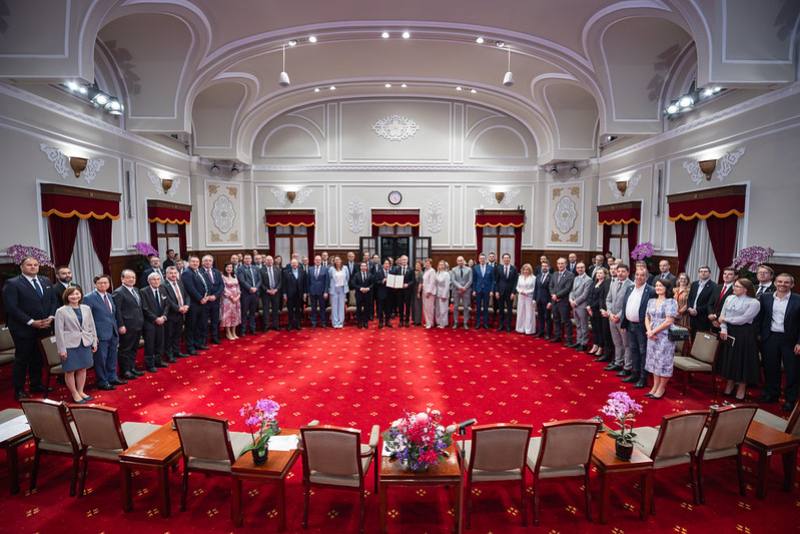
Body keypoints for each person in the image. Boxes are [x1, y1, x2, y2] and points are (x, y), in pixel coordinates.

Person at [2, 257, 58, 400]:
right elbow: (11, 308)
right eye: (29, 265)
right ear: (22, 267)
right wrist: (31, 322)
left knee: (38, 358)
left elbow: (53, 300)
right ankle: (19, 389)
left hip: (45, 325)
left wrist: (51, 317)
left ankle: (36, 384)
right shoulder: (12, 283)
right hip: (23, 328)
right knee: (22, 358)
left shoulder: (45, 280)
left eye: (35, 265)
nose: (33, 267)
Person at [758, 273, 800, 411]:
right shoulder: (765, 297)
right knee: (770, 369)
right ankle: (771, 394)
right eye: (780, 281)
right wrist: (760, 336)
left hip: (791, 340)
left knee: (792, 371)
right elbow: (761, 318)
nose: (783, 284)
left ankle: (790, 399)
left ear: (792, 285)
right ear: (775, 283)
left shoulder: (797, 300)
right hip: (770, 338)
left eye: (786, 282)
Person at [717, 279, 761, 401]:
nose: (733, 288)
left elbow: (743, 319)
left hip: (744, 334)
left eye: (737, 286)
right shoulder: (729, 298)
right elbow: (721, 315)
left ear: (745, 289)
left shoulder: (754, 302)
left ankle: (742, 387)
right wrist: (724, 328)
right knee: (730, 359)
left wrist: (725, 320)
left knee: (742, 361)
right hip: (729, 332)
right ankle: (729, 384)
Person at [54, 287, 97, 403]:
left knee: (83, 368)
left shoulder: (86, 308)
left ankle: (81, 391)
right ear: (66, 296)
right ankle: (74, 393)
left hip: (85, 342)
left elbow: (91, 325)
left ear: (81, 295)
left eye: (77, 294)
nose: (75, 296)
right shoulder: (61, 311)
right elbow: (59, 332)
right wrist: (61, 349)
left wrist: (94, 340)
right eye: (71, 294)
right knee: (70, 370)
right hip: (69, 345)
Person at [83, 274, 124, 390]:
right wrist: (92, 335)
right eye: (100, 283)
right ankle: (102, 381)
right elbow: (86, 318)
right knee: (101, 359)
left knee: (112, 356)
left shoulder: (110, 296)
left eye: (106, 283)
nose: (103, 285)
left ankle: (112, 377)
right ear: (95, 284)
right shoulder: (88, 298)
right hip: (99, 334)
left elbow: (112, 315)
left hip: (113, 331)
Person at [620, 267, 655, 388]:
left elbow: (653, 311)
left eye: (642, 275)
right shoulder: (630, 288)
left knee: (643, 352)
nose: (639, 277)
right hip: (630, 325)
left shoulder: (651, 290)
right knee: (633, 350)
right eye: (637, 275)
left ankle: (643, 378)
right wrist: (624, 323)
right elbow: (626, 305)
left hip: (642, 327)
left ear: (646, 277)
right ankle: (634, 374)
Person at [644, 279, 678, 399]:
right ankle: (655, 386)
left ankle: (661, 388)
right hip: (651, 336)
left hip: (665, 336)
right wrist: (649, 331)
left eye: (661, 286)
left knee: (664, 362)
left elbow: (669, 321)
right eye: (656, 285)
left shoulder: (671, 302)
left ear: (667, 288)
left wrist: (653, 331)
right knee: (654, 361)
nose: (658, 287)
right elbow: (647, 317)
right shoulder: (651, 301)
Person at [113, 269, 144, 380]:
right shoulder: (119, 292)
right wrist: (121, 325)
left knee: (134, 348)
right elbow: (118, 311)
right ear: (122, 279)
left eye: (133, 277)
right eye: (129, 277)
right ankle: (125, 371)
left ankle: (132, 368)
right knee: (125, 349)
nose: (132, 279)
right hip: (126, 326)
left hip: (137, 324)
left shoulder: (136, 290)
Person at [140, 272, 172, 372]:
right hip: (150, 322)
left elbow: (167, 305)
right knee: (150, 343)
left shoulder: (162, 289)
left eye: (158, 279)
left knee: (160, 342)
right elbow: (144, 308)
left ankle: (159, 361)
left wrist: (164, 316)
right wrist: (155, 319)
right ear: (149, 281)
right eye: (154, 279)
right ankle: (150, 364)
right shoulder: (143, 291)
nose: (156, 281)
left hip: (162, 320)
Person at [605, 264, 633, 375]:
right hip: (612, 318)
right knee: (617, 342)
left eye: (623, 271)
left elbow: (628, 303)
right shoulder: (614, 282)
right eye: (619, 271)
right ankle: (618, 362)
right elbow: (608, 299)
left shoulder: (631, 285)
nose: (620, 273)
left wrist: (619, 315)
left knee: (626, 344)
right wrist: (610, 313)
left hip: (623, 319)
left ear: (628, 272)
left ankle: (627, 366)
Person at [181, 256, 210, 355]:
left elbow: (206, 285)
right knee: (191, 326)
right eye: (193, 261)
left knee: (199, 325)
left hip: (202, 303)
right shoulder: (186, 273)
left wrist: (206, 296)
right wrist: (200, 298)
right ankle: (190, 347)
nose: (195, 263)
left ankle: (198, 343)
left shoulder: (200, 271)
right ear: (189, 263)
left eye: (197, 261)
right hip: (193, 304)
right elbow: (190, 288)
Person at [162, 266, 189, 361]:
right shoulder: (163, 285)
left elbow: (186, 295)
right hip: (171, 314)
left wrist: (187, 305)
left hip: (181, 313)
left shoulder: (179, 282)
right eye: (171, 273)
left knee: (178, 334)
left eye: (175, 273)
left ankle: (177, 351)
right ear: (166, 274)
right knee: (169, 335)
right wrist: (178, 308)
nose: (173, 275)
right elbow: (167, 301)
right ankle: (169, 354)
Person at [587, 267, 611, 362]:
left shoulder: (605, 284)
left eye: (601, 273)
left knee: (600, 329)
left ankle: (601, 347)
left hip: (598, 310)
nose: (599, 275)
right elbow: (590, 295)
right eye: (598, 273)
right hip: (591, 309)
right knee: (595, 329)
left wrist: (592, 306)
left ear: (605, 274)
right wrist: (588, 306)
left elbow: (601, 299)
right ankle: (595, 344)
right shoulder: (594, 283)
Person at [549, 257, 575, 343]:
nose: (560, 265)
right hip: (554, 301)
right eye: (559, 263)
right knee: (556, 319)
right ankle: (558, 336)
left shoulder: (570, 275)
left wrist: (557, 295)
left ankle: (569, 339)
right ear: (557, 265)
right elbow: (551, 286)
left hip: (563, 302)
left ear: (566, 264)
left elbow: (567, 288)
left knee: (566, 321)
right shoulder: (554, 274)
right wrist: (553, 295)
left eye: (562, 263)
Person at [687, 266, 717, 335]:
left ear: (709, 273)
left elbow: (710, 303)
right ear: (699, 273)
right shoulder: (694, 284)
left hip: (703, 317)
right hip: (691, 316)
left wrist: (697, 310)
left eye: (705, 271)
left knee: (700, 339)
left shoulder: (714, 286)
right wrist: (689, 308)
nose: (703, 273)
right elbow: (689, 298)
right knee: (691, 337)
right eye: (701, 271)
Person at [568, 262, 592, 351]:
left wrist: (575, 302)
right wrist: (571, 300)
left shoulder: (588, 280)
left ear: (584, 268)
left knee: (584, 325)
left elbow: (585, 295)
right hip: (574, 305)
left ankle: (584, 343)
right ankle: (578, 341)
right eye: (578, 268)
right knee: (577, 325)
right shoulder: (576, 278)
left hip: (582, 305)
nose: (580, 269)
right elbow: (572, 291)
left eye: (581, 267)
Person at [236, 254, 261, 336]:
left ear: (251, 259)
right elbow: (242, 281)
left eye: (249, 258)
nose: (248, 260)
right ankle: (243, 330)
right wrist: (250, 288)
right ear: (243, 259)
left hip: (255, 293)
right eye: (246, 258)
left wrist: (256, 288)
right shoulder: (240, 269)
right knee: (244, 312)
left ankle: (252, 329)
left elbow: (260, 280)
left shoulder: (255, 268)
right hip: (246, 294)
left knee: (252, 312)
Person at [201, 255, 223, 344]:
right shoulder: (199, 272)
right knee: (204, 322)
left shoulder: (216, 272)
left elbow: (221, 285)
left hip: (215, 300)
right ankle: (204, 339)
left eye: (210, 260)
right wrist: (208, 296)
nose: (208, 262)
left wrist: (215, 296)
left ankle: (215, 337)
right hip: (205, 301)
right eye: (206, 260)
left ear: (212, 262)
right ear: (202, 262)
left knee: (215, 320)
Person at [494, 253, 517, 333]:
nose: (506, 259)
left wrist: (513, 293)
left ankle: (508, 326)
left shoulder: (514, 268)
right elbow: (496, 281)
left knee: (509, 310)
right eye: (505, 258)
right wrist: (496, 291)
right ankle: (501, 325)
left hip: (510, 293)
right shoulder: (498, 268)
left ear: (510, 259)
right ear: (502, 259)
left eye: (508, 258)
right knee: (501, 310)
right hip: (500, 292)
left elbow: (515, 282)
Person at [708, 266, 736, 332]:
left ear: (735, 277)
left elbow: (730, 308)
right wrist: (712, 316)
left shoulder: (736, 289)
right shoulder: (717, 287)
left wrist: (715, 316)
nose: (726, 276)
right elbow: (710, 303)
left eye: (730, 274)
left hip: (725, 323)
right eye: (725, 274)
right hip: (711, 321)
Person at [472, 253, 494, 329]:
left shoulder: (490, 268)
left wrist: (491, 290)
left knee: (485, 307)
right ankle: (478, 323)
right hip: (478, 290)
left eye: (483, 259)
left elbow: (492, 280)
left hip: (487, 290)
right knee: (478, 307)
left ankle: (485, 323)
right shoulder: (475, 267)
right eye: (481, 259)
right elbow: (474, 280)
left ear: (486, 259)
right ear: (479, 259)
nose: (482, 260)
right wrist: (474, 290)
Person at [282, 258, 306, 330]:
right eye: (293, 263)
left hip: (299, 295)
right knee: (290, 311)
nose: (294, 264)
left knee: (298, 310)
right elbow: (284, 284)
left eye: (295, 263)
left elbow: (304, 284)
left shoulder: (302, 272)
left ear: (298, 264)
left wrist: (305, 293)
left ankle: (298, 324)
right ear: (291, 264)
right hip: (290, 295)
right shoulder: (286, 272)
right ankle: (290, 324)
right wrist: (284, 294)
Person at [307, 255, 330, 328]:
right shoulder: (310, 269)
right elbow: (308, 281)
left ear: (321, 261)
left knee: (322, 308)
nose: (317, 261)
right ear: (314, 261)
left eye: (319, 260)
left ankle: (323, 322)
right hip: (312, 291)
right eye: (316, 260)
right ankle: (314, 322)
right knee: (313, 308)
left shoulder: (325, 269)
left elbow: (327, 281)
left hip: (322, 292)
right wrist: (308, 291)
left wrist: (326, 291)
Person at [260, 255, 282, 331]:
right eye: (268, 260)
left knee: (275, 309)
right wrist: (267, 290)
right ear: (265, 261)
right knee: (266, 310)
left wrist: (276, 289)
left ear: (273, 261)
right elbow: (260, 282)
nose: (269, 262)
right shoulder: (261, 270)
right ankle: (266, 326)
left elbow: (280, 281)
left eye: (271, 260)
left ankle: (276, 325)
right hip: (266, 293)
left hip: (276, 293)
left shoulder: (277, 269)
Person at [220, 263, 242, 340]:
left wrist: (238, 296)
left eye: (230, 267)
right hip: (227, 299)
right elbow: (223, 288)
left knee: (236, 315)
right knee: (228, 316)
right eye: (227, 267)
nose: (229, 268)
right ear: (225, 268)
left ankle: (234, 332)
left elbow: (238, 287)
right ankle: (228, 332)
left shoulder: (235, 276)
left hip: (237, 299)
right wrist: (232, 297)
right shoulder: (222, 277)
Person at [392, 255, 415, 327]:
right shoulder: (397, 269)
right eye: (402, 260)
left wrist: (407, 284)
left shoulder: (411, 269)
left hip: (407, 291)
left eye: (405, 260)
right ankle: (401, 320)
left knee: (407, 306)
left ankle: (407, 320)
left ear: (407, 260)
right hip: (399, 291)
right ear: (400, 261)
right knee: (400, 306)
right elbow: (394, 278)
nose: (404, 261)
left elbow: (413, 281)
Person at [450, 256, 472, 329]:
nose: (460, 262)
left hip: (466, 290)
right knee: (455, 307)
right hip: (456, 290)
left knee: (466, 307)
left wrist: (464, 288)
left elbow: (470, 280)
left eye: (461, 260)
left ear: (464, 261)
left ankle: (465, 322)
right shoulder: (453, 269)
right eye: (459, 261)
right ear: (457, 261)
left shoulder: (469, 269)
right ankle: (456, 322)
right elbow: (453, 280)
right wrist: (460, 287)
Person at [515, 263, 537, 335]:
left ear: (530, 270)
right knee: (521, 312)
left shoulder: (533, 278)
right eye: (524, 269)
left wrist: (527, 292)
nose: (526, 271)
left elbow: (535, 288)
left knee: (529, 313)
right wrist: (520, 291)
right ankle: (520, 328)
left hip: (529, 297)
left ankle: (529, 329)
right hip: (521, 296)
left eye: (527, 269)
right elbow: (517, 286)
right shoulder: (520, 277)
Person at [328, 256, 349, 328]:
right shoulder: (331, 269)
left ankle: (341, 322)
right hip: (334, 289)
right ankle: (335, 323)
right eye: (335, 260)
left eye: (338, 260)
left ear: (341, 260)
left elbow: (347, 278)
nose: (337, 261)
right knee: (334, 307)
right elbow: (329, 278)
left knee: (341, 306)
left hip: (342, 289)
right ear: (334, 261)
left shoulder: (345, 268)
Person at [374, 259, 394, 328]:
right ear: (383, 265)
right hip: (381, 293)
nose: (387, 265)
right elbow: (376, 282)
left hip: (390, 293)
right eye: (385, 263)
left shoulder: (392, 272)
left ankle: (387, 321)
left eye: (388, 264)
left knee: (388, 308)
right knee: (380, 309)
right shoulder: (378, 272)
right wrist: (382, 281)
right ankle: (380, 322)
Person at [534, 261, 552, 338]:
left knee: (547, 317)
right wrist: (534, 299)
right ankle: (540, 332)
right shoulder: (538, 276)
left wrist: (550, 302)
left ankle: (548, 333)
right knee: (540, 317)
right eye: (543, 266)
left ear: (549, 267)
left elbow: (552, 290)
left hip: (547, 300)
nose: (544, 267)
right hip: (539, 299)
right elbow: (536, 288)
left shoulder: (551, 277)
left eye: (546, 266)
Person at [353, 262, 373, 328]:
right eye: (362, 266)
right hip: (359, 294)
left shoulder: (370, 274)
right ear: (360, 267)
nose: (364, 267)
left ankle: (365, 322)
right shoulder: (356, 275)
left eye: (365, 266)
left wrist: (368, 288)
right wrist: (360, 288)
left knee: (367, 308)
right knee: (359, 309)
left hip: (367, 294)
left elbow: (373, 284)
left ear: (366, 267)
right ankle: (359, 322)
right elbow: (353, 283)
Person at [434, 260, 451, 328]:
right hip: (437, 293)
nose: (440, 266)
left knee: (443, 309)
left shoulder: (446, 274)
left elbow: (447, 285)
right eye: (439, 264)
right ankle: (438, 322)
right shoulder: (437, 273)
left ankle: (443, 323)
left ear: (444, 266)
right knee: (437, 309)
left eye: (442, 265)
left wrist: (444, 294)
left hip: (443, 293)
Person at [422, 259, 437, 329]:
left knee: (429, 308)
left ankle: (430, 323)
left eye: (428, 263)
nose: (426, 264)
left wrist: (429, 292)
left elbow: (432, 283)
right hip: (424, 291)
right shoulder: (426, 271)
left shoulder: (432, 271)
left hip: (429, 293)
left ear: (430, 264)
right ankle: (428, 322)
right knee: (425, 308)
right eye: (425, 263)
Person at [412, 260, 424, 326]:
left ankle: (418, 321)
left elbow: (420, 283)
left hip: (418, 290)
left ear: (421, 266)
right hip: (413, 290)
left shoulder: (421, 273)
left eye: (418, 265)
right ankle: (414, 320)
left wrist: (418, 292)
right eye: (416, 265)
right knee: (413, 305)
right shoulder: (414, 272)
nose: (417, 266)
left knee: (418, 306)